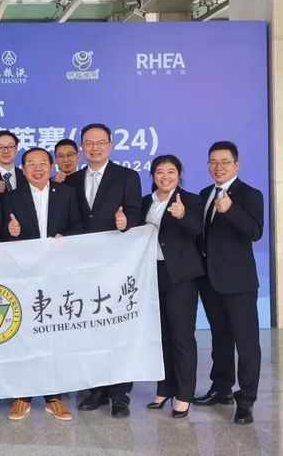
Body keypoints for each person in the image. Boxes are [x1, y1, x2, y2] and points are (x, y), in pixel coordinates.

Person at [64, 123, 142, 418]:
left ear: (110, 145)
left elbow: (135, 212)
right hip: (83, 267)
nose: (94, 148)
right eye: (89, 143)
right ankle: (97, 387)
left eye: (100, 142)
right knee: (91, 327)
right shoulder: (72, 180)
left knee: (118, 327)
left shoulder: (127, 177)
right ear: (82, 147)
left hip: (117, 265)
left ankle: (120, 394)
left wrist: (126, 222)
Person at [0, 147, 82, 422]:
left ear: (51, 166)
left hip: (58, 275)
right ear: (23, 170)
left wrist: (65, 237)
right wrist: (11, 233)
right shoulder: (12, 198)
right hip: (24, 276)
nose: (37, 169)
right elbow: (0, 237)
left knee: (54, 335)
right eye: (31, 164)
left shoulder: (67, 194)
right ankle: (22, 394)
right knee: (24, 335)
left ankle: (53, 396)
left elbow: (79, 226)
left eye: (42, 163)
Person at [193, 141, 263, 425]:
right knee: (220, 338)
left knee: (247, 344)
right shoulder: (204, 194)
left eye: (224, 162)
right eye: (213, 162)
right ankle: (221, 388)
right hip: (210, 281)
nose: (218, 167)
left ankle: (246, 401)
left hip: (239, 283)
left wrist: (231, 209)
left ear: (236, 164)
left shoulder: (250, 194)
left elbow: (255, 232)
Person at [141, 155, 204, 419]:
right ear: (152, 175)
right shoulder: (145, 202)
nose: (165, 177)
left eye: (171, 172)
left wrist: (183, 215)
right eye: (159, 172)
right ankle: (165, 389)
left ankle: (184, 395)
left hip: (180, 277)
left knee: (182, 337)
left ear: (179, 175)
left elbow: (198, 229)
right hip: (152, 274)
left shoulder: (190, 200)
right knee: (161, 336)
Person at [0, 130, 27, 198]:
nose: (6, 151)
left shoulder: (26, 175)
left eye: (10, 147)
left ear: (16, 149)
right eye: (0, 147)